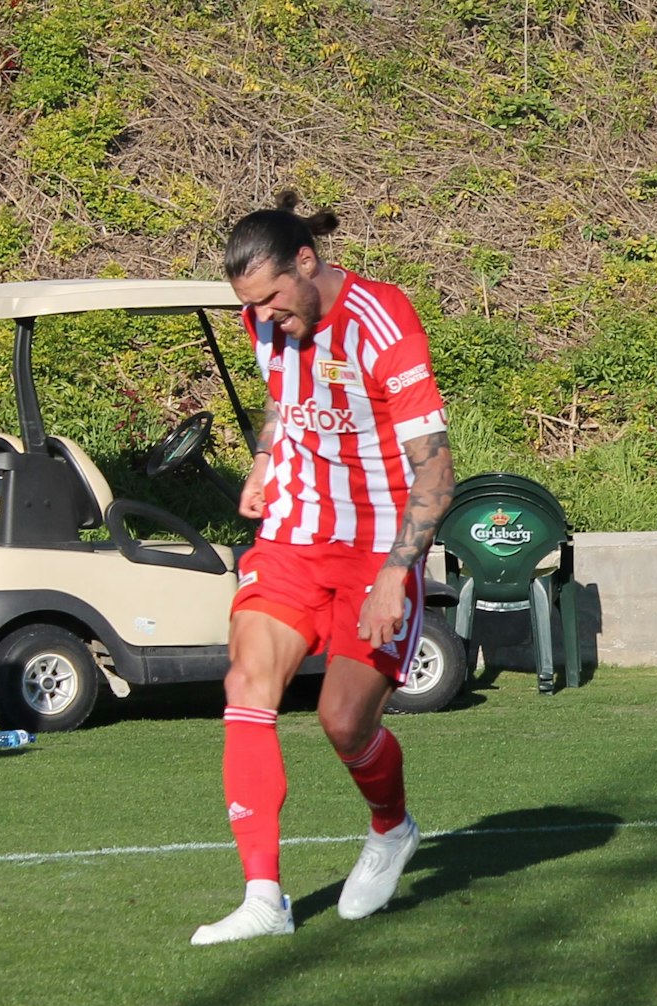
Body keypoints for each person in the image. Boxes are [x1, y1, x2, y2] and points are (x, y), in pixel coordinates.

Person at [192, 193, 455, 945]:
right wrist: (267, 459)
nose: (265, 317)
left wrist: (394, 576)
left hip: (379, 544)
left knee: (343, 721)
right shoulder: (263, 318)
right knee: (246, 683)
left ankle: (391, 825)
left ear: (307, 262)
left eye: (273, 298)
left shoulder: (383, 322)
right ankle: (264, 898)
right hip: (295, 534)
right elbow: (284, 397)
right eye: (253, 306)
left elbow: (436, 474)